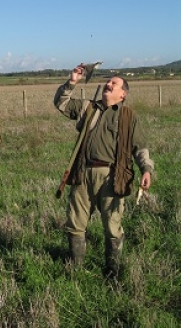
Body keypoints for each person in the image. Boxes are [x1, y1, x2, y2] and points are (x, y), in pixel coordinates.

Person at [53, 63, 154, 277]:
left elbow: (140, 148)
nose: (108, 84)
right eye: (108, 82)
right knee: (75, 223)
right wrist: (72, 81)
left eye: (114, 83)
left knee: (112, 225)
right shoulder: (88, 107)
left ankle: (112, 270)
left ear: (122, 94)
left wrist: (146, 169)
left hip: (112, 177)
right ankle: (75, 269)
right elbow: (61, 103)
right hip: (83, 173)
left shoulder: (129, 116)